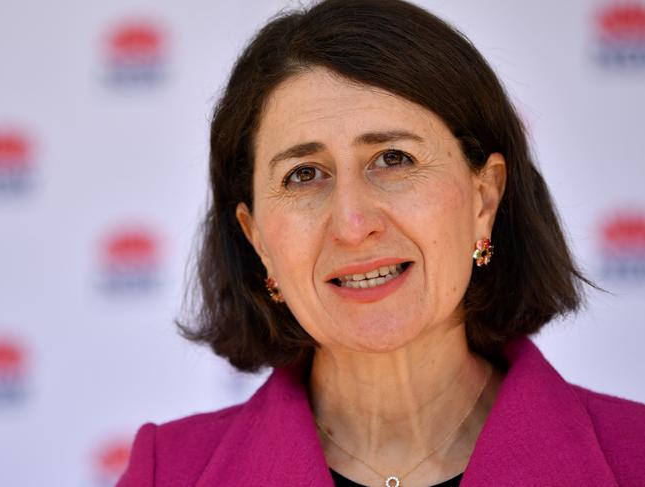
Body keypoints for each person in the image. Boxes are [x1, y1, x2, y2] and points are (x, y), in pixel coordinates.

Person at [117, 1, 645, 486]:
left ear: (484, 198)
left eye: (394, 159)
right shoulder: (169, 472)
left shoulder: (634, 455)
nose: (352, 223)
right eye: (304, 175)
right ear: (257, 239)